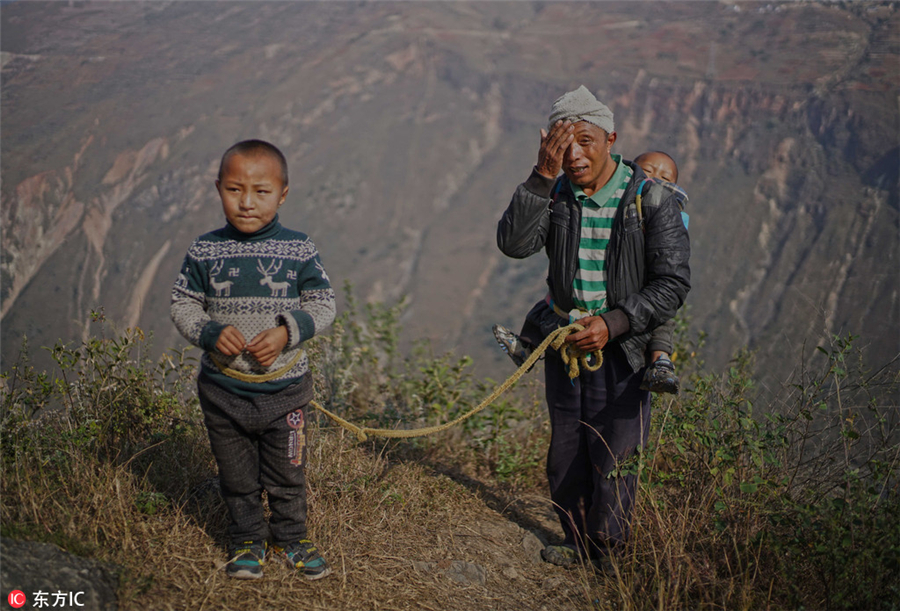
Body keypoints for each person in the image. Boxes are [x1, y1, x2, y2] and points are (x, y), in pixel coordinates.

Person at [495, 86, 690, 568]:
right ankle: (577, 542)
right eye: (564, 145)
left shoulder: (650, 199)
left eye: (586, 141)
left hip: (622, 349)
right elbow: (514, 245)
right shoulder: (556, 192)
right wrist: (541, 176)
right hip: (567, 346)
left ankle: (610, 552)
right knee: (567, 449)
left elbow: (672, 285)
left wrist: (614, 322)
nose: (575, 154)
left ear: (611, 139)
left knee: (615, 453)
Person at [171, 139, 336, 580]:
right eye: (234, 190)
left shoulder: (299, 250)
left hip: (286, 391)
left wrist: (288, 330)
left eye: (261, 192)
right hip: (224, 391)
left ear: (282, 194)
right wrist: (208, 332)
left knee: (287, 472)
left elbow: (323, 304)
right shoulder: (205, 251)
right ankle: (246, 539)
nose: (246, 203)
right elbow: (183, 303)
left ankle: (292, 537)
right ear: (218, 189)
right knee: (236, 474)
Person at [492, 149, 689, 395]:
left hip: (642, 298)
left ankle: (660, 362)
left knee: (660, 320)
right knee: (548, 305)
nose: (656, 179)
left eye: (665, 178)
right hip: (578, 322)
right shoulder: (623, 202)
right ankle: (529, 346)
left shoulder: (668, 211)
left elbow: (671, 278)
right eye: (648, 172)